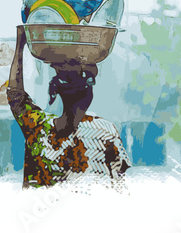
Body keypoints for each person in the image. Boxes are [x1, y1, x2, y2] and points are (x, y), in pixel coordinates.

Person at [7, 26, 130, 188]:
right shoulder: (105, 131)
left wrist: (20, 43)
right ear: (89, 97)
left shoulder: (39, 128)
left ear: (58, 93)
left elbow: (15, 95)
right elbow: (120, 187)